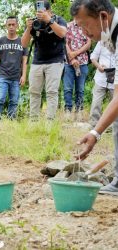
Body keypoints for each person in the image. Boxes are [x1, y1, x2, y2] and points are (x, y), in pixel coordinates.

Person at [71, 0, 118, 195]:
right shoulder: (109, 35)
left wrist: (95, 133)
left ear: (103, 17)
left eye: (84, 25)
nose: (84, 33)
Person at [21, 0, 67, 120]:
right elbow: (23, 44)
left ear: (49, 11)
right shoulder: (35, 22)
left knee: (52, 92)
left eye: (42, 11)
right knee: (34, 92)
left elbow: (62, 33)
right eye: (37, 11)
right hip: (38, 61)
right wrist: (28, 29)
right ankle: (33, 121)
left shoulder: (58, 20)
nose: (39, 14)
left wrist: (49, 20)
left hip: (55, 60)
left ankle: (50, 122)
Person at [0, 16, 28, 120]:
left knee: (14, 101)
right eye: (9, 25)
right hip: (3, 76)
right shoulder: (0, 41)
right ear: (6, 26)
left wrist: (24, 76)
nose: (11, 27)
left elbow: (25, 60)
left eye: (13, 24)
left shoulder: (23, 41)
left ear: (17, 25)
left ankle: (11, 121)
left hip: (16, 77)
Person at [63, 20, 91, 121]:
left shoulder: (87, 24)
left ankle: (79, 111)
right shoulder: (68, 25)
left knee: (80, 89)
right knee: (67, 89)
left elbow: (88, 43)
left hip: (82, 63)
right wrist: (72, 58)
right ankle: (68, 111)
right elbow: (65, 44)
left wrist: (76, 53)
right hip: (68, 63)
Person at [89, 41, 116, 128]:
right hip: (101, 77)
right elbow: (93, 57)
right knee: (96, 102)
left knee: (115, 104)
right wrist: (99, 66)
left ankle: (112, 126)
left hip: (116, 78)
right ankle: (94, 124)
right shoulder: (102, 41)